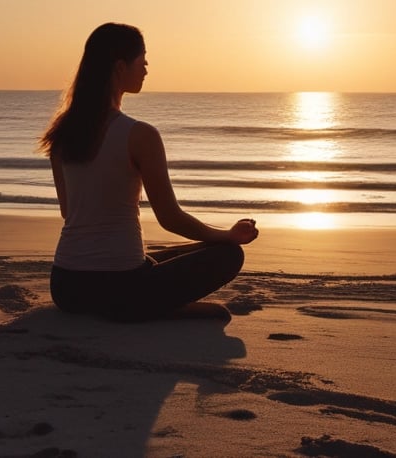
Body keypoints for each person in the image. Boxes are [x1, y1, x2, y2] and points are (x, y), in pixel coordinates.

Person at [39, 23, 258, 323]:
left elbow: (69, 212)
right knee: (228, 254)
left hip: (66, 286)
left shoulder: (62, 133)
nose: (146, 68)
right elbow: (169, 218)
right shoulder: (139, 134)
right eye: (142, 60)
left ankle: (146, 298)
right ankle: (157, 309)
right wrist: (228, 235)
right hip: (122, 287)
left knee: (180, 251)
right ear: (120, 67)